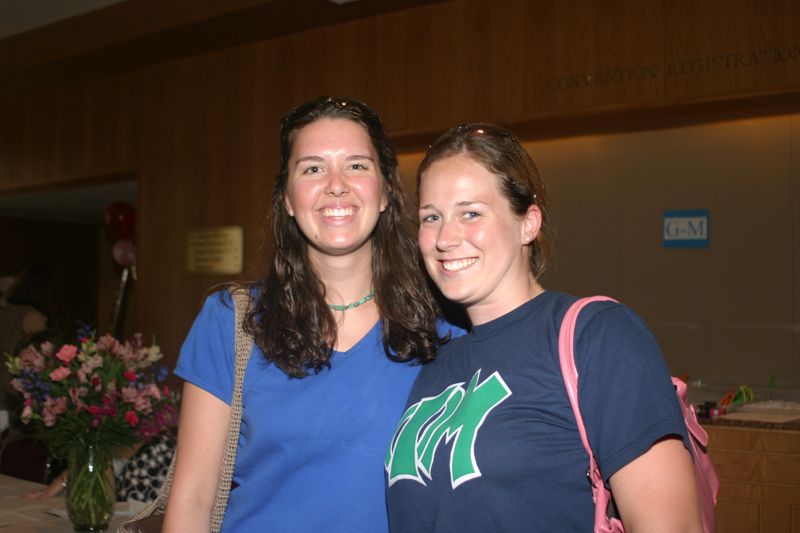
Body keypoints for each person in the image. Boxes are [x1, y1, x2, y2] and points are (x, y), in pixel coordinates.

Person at [385, 123, 703, 532]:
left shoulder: (598, 335)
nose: (445, 237)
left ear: (528, 223)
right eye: (431, 217)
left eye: (471, 213)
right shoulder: (435, 357)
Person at [164, 96, 458, 532]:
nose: (336, 185)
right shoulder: (230, 320)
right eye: (313, 168)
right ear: (287, 197)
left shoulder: (448, 325)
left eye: (357, 165)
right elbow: (192, 501)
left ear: (385, 192)